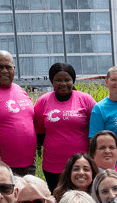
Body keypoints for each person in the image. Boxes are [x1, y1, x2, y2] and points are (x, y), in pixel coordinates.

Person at [35, 62, 96, 191]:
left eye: (67, 80)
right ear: (52, 81)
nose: (63, 84)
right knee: (58, 200)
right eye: (58, 80)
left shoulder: (85, 99)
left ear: (73, 80)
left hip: (81, 165)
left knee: (82, 199)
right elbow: (39, 132)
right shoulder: (43, 101)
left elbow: (96, 128)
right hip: (53, 164)